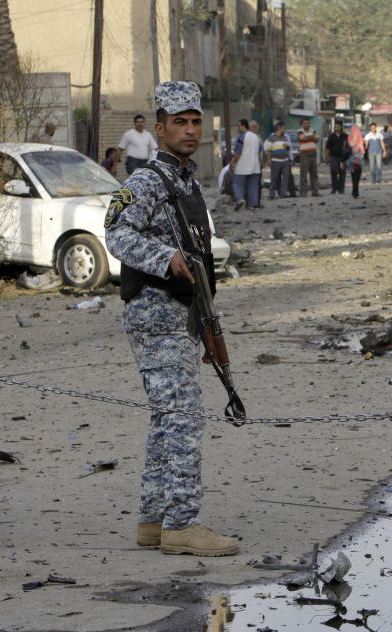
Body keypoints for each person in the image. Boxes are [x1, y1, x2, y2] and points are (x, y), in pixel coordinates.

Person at [103, 80, 239, 557]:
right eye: (179, 122)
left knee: (167, 419)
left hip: (181, 316)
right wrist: (164, 258)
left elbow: (198, 260)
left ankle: (153, 520)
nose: (189, 129)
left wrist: (207, 326)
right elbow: (115, 234)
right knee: (182, 419)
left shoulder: (185, 182)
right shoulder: (144, 181)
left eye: (195, 121)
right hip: (153, 313)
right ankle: (182, 525)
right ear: (159, 128)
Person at [231, 118, 261, 210]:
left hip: (242, 165)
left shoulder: (242, 137)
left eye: (238, 126)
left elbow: (238, 152)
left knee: (237, 184)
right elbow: (259, 151)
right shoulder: (255, 137)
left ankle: (240, 199)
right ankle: (251, 205)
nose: (237, 128)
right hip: (255, 166)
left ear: (243, 126)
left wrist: (234, 163)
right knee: (252, 186)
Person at [263, 121, 292, 200]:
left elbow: (288, 148)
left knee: (285, 177)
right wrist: (269, 159)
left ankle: (283, 193)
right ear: (279, 128)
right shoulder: (271, 138)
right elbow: (268, 150)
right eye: (284, 128)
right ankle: (271, 194)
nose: (284, 130)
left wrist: (287, 147)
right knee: (274, 178)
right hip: (275, 161)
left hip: (285, 160)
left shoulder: (285, 138)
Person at [297, 118, 319, 197]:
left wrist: (308, 138)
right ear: (302, 124)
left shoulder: (313, 130)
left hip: (313, 154)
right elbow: (302, 138)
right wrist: (312, 137)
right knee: (303, 174)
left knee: (314, 174)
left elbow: (317, 139)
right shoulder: (300, 131)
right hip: (304, 155)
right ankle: (303, 193)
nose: (306, 125)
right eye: (305, 123)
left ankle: (315, 192)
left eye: (308, 123)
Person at [325, 121, 348, 194]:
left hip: (342, 158)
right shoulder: (331, 136)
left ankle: (341, 189)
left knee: (342, 173)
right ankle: (334, 188)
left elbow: (348, 146)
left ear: (341, 127)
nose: (336, 128)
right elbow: (328, 148)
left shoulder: (345, 136)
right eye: (335, 127)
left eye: (338, 126)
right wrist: (327, 157)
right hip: (333, 157)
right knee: (334, 172)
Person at [346, 124, 365, 199]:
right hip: (359, 161)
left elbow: (346, 151)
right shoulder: (361, 139)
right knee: (357, 178)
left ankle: (354, 191)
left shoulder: (349, 139)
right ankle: (355, 192)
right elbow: (364, 151)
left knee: (353, 177)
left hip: (351, 161)